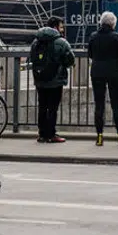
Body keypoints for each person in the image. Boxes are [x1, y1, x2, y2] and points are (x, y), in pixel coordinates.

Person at [87, 11, 118, 147]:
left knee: (99, 105)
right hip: (113, 73)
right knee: (116, 105)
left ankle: (99, 137)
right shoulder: (116, 37)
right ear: (113, 24)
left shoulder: (93, 36)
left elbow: (90, 54)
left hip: (97, 73)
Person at [30, 16, 74, 144]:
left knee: (42, 106)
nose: (62, 30)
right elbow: (70, 59)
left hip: (40, 79)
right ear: (55, 27)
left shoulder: (36, 41)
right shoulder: (61, 42)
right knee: (52, 108)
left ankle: (42, 134)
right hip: (55, 80)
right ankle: (51, 134)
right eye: (61, 27)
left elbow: (32, 58)